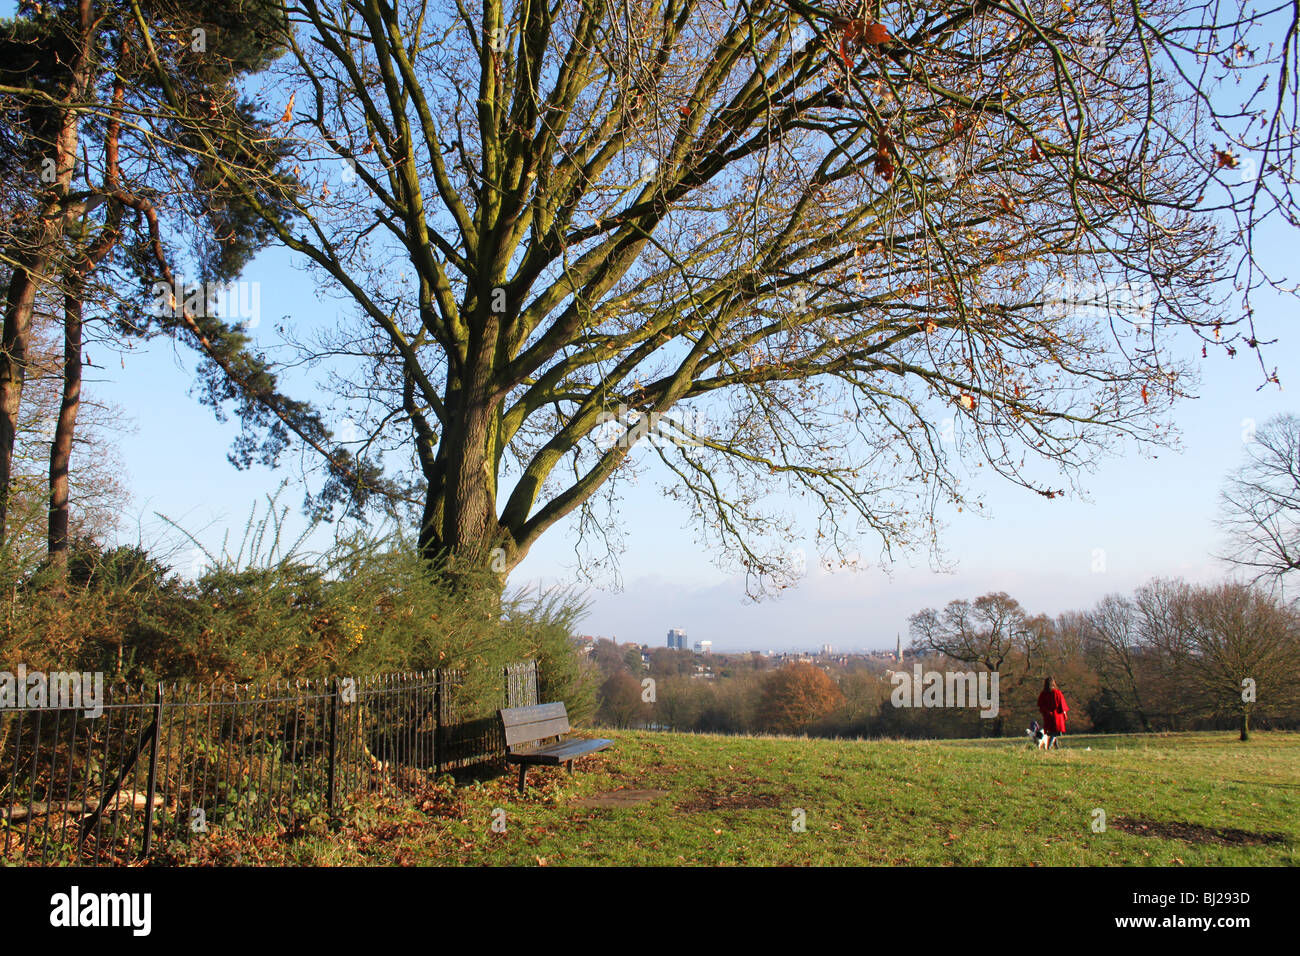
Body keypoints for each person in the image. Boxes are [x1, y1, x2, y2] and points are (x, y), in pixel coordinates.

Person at [1037, 676, 1069, 749]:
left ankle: (1056, 747)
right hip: (1056, 715)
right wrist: (1064, 713)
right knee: (1054, 733)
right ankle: (1049, 747)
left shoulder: (1043, 694)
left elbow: (1040, 705)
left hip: (1047, 715)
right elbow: (1061, 704)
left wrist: (1044, 712)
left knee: (1051, 732)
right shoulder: (1057, 693)